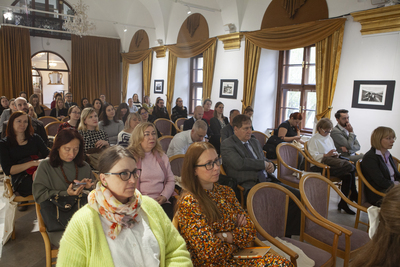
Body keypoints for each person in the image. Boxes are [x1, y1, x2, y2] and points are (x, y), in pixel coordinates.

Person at [56, 146, 192, 267]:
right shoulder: (83, 222)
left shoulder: (150, 207)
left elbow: (176, 250)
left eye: (134, 172)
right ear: (103, 179)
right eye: (124, 174)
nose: (133, 180)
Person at [177, 142, 293, 267]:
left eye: (217, 160)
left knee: (283, 263)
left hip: (239, 256)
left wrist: (224, 236)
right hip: (216, 264)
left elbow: (250, 231)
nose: (216, 167)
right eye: (209, 164)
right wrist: (237, 238)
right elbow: (210, 254)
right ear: (194, 170)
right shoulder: (190, 202)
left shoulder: (226, 192)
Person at [221, 114, 301, 236]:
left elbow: (264, 159)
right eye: (246, 128)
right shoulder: (228, 144)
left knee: (297, 196)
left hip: (267, 180)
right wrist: (263, 164)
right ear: (235, 129)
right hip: (249, 184)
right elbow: (239, 163)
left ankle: (285, 232)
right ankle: (275, 233)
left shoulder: (254, 141)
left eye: (250, 127)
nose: (250, 131)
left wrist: (271, 166)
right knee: (280, 198)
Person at [32, 128, 94, 246]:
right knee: (78, 245)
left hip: (83, 220)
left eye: (76, 149)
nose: (72, 154)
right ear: (58, 147)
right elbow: (39, 195)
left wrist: (88, 187)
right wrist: (65, 193)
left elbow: (95, 196)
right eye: (67, 149)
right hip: (58, 220)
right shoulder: (46, 166)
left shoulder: (84, 166)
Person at [307, 118, 358, 214]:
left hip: (331, 163)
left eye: (329, 131)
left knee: (348, 175)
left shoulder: (329, 138)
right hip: (320, 166)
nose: (327, 133)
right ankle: (353, 194)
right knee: (350, 168)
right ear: (319, 128)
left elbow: (333, 149)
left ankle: (343, 202)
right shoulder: (314, 140)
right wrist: (326, 155)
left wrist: (335, 154)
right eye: (325, 131)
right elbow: (313, 157)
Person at [0, 111, 49, 210]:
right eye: (19, 121)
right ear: (12, 123)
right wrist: (33, 163)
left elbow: (49, 155)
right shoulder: (4, 144)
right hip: (20, 178)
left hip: (38, 172)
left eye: (25, 121)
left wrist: (39, 169)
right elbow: (9, 170)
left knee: (53, 180)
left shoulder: (35, 138)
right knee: (46, 184)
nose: (23, 124)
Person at [128, 122, 175, 220]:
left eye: (153, 133)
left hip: (161, 201)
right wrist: (143, 201)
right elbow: (128, 184)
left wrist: (164, 196)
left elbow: (171, 180)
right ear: (138, 137)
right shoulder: (131, 158)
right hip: (140, 203)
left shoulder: (162, 156)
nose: (152, 137)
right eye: (147, 134)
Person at [351, 184, 400, 267]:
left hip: (388, 190)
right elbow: (380, 181)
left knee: (348, 174)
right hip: (377, 193)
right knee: (348, 173)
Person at [360, 126, 399, 206]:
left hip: (391, 189)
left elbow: (396, 175)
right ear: (378, 139)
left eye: (393, 138)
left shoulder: (387, 154)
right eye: (388, 138)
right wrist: (397, 185)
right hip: (378, 194)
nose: (392, 141)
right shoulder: (370, 157)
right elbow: (379, 181)